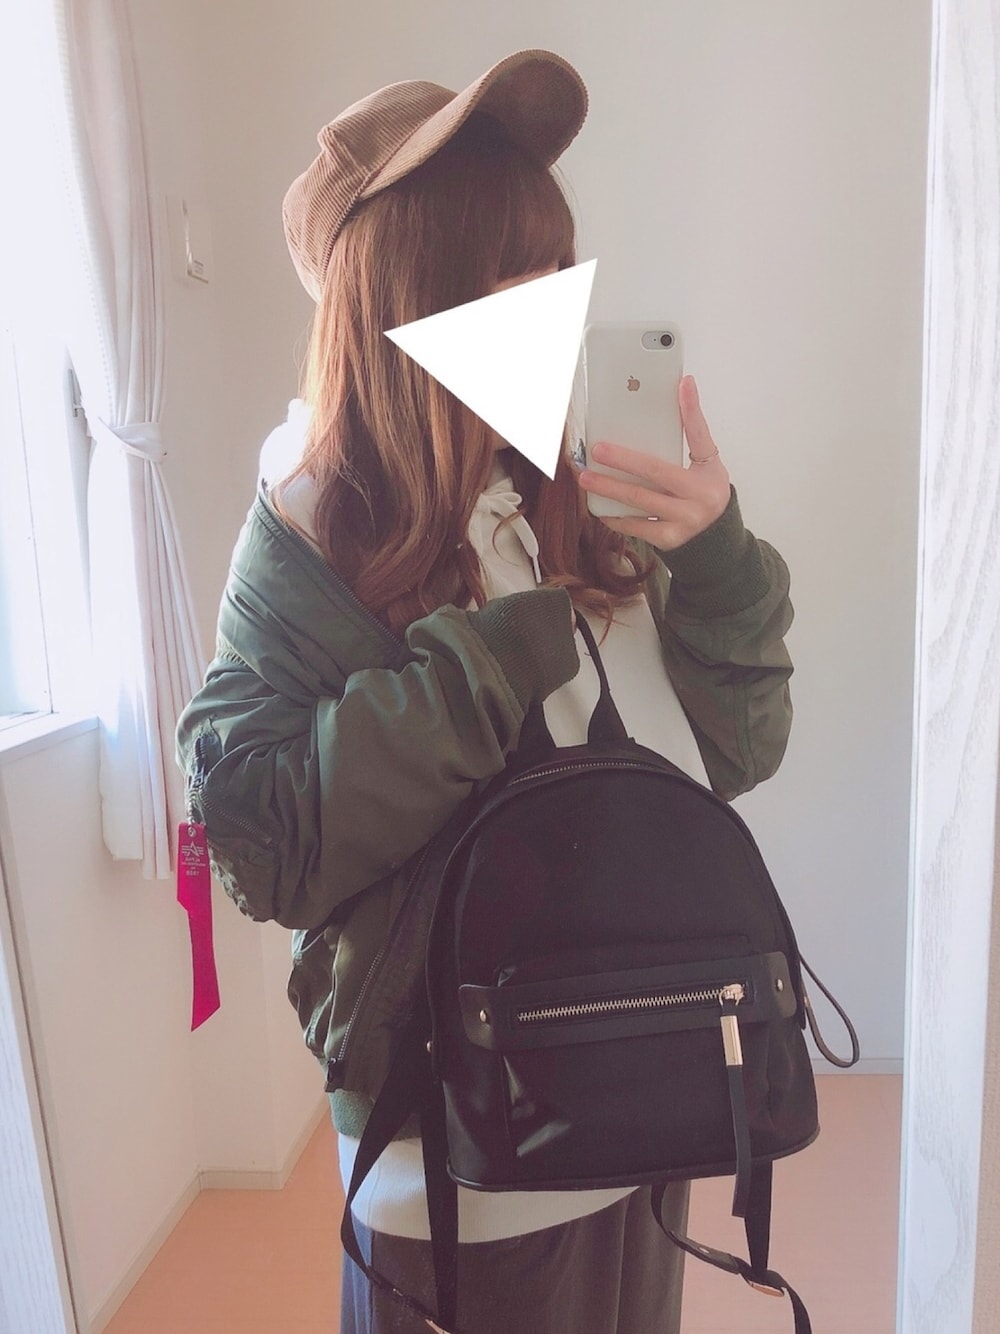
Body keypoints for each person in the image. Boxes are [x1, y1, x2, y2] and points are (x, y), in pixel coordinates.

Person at [176, 47, 794, 1334]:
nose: (546, 300)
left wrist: (718, 563)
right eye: (503, 266)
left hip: (644, 1082)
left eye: (552, 261)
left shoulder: (567, 487)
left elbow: (726, 757)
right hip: (453, 1149)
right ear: (405, 292)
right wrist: (491, 659)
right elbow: (263, 838)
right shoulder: (310, 527)